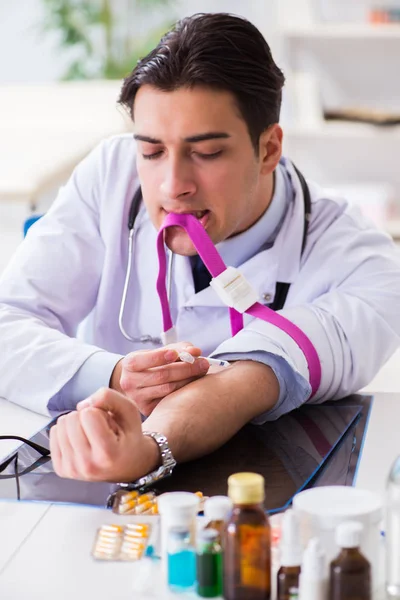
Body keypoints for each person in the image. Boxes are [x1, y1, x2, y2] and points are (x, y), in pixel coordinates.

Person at [0, 13, 399, 484]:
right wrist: (115, 375)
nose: (173, 186)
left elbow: (248, 378)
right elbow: (8, 324)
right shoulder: (110, 177)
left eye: (207, 153)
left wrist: (147, 449)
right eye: (151, 152)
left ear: (269, 149)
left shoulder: (359, 266)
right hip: (93, 487)